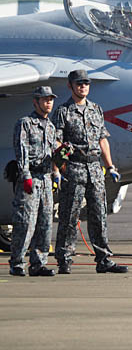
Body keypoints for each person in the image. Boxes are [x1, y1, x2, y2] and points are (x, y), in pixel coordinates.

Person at [53, 69, 128, 274]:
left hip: (95, 168)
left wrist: (110, 166)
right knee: (69, 215)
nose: (83, 86)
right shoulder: (63, 111)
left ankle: (103, 258)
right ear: (70, 86)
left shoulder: (96, 109)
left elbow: (102, 139)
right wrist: (61, 166)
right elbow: (57, 141)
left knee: (99, 214)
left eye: (86, 83)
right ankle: (64, 259)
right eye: (78, 83)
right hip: (74, 168)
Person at [9, 86, 59, 277]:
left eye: (50, 99)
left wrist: (56, 172)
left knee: (45, 222)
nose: (48, 102)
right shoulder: (26, 124)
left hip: (46, 178)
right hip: (30, 177)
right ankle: (17, 262)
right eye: (44, 99)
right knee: (25, 222)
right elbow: (21, 150)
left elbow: (53, 154)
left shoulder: (51, 126)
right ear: (35, 101)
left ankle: (38, 263)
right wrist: (25, 175)